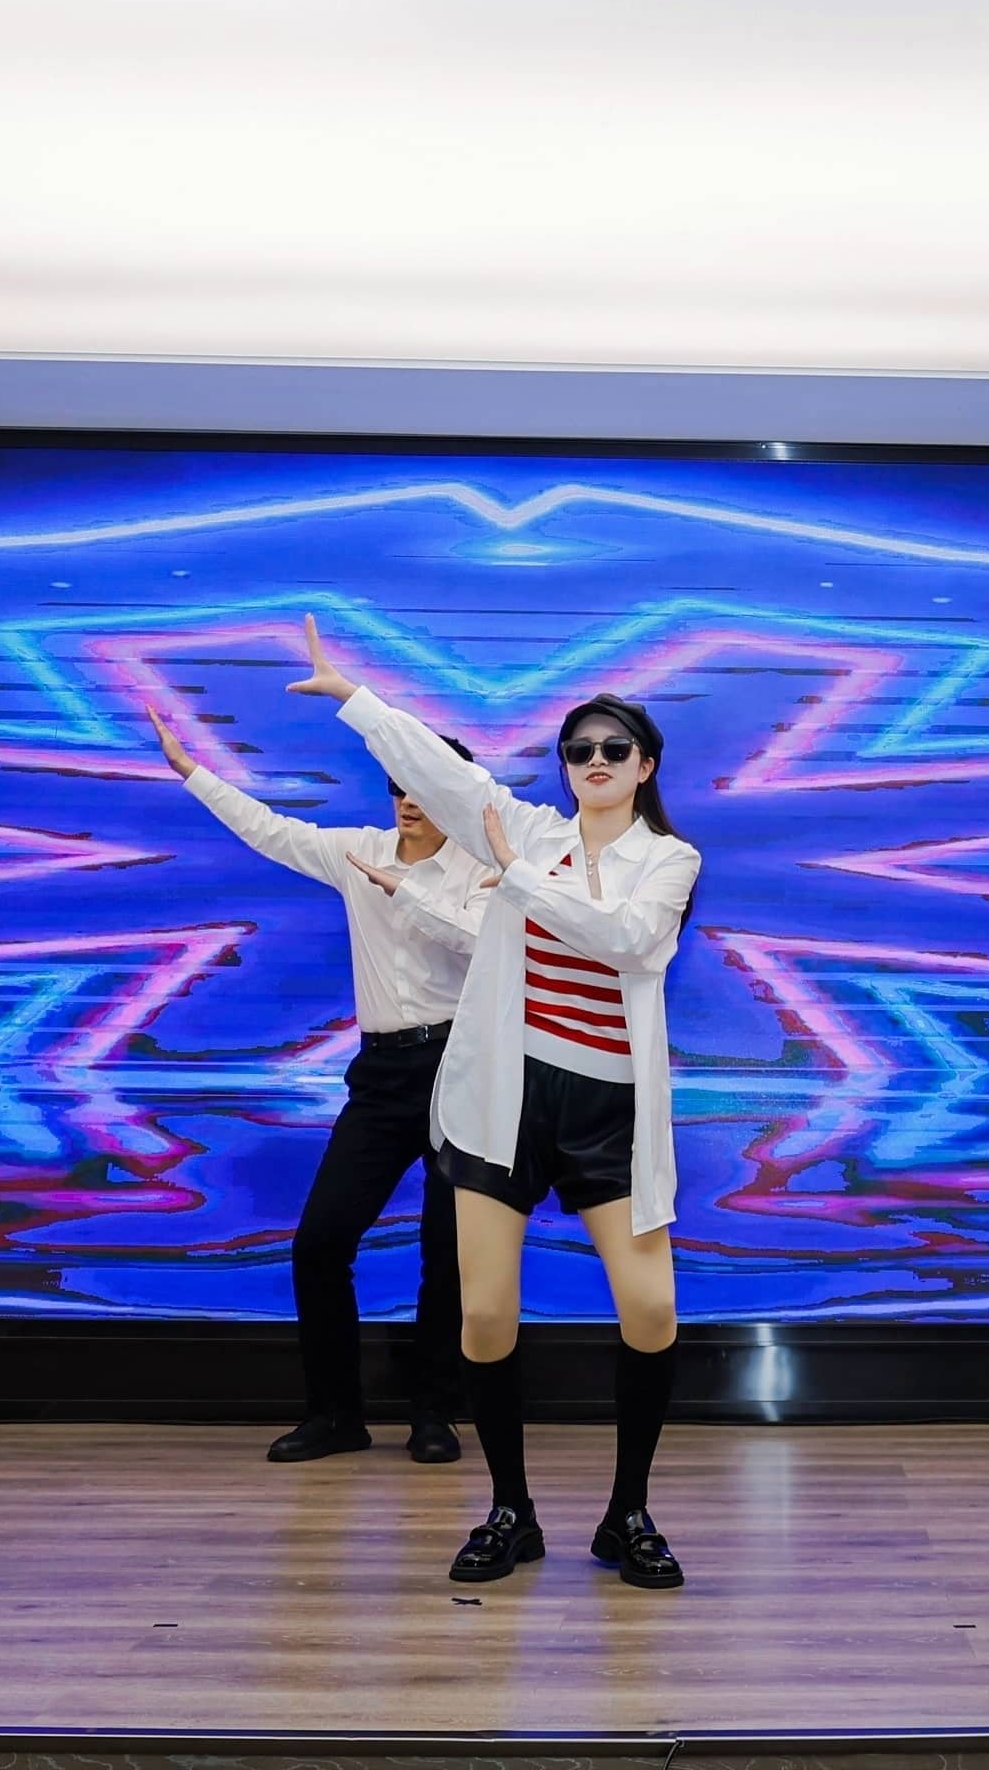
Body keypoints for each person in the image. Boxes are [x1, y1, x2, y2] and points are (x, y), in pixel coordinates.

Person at [282, 617, 700, 1590]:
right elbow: (443, 774)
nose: (594, 761)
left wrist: (513, 878)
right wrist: (355, 700)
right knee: (484, 1315)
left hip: (607, 1106)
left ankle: (628, 1512)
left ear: (644, 765)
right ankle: (511, 1509)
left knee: (651, 1309)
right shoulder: (531, 830)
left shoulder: (668, 860)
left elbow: (627, 940)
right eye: (579, 749)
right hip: (505, 1098)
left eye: (614, 748)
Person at [150, 702, 490, 1467]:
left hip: (460, 1068)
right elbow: (271, 830)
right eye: (398, 782)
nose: (408, 798)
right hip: (381, 1074)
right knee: (321, 1242)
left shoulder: (485, 871)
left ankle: (434, 1412)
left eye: (425, 784)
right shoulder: (357, 850)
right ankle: (336, 1415)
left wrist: (411, 894)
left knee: (449, 1252)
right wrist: (193, 771)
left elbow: (482, 946)